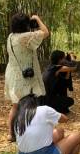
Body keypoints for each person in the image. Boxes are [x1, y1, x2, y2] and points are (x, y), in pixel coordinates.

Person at [5, 13, 49, 142]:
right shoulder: (26, 36)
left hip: (12, 74)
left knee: (15, 105)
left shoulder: (10, 36)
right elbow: (45, 32)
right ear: (26, 24)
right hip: (25, 77)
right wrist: (37, 19)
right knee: (30, 104)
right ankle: (29, 132)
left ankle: (10, 134)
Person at [13, 94, 80, 154]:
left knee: (59, 131)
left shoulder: (18, 118)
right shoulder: (44, 110)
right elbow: (65, 119)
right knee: (78, 136)